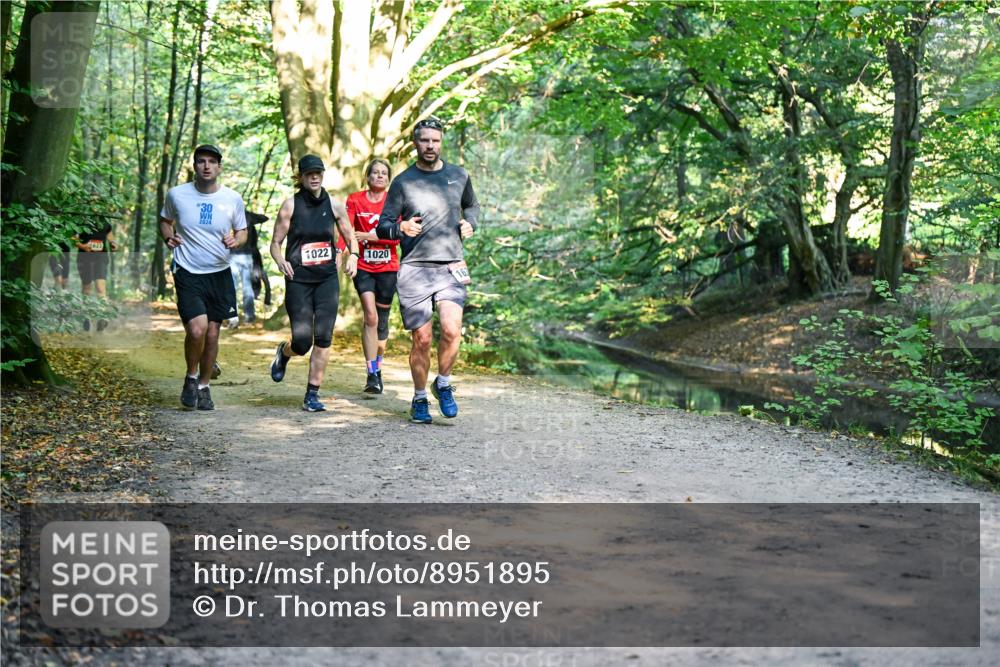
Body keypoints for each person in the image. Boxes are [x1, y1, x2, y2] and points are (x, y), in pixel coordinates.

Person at [375, 117, 479, 423]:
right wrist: (400, 227)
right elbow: (383, 225)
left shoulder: (458, 175)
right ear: (415, 143)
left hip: (450, 266)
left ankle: (443, 383)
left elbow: (472, 206)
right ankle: (420, 398)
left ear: (441, 141)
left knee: (451, 330)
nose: (430, 146)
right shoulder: (403, 182)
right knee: (421, 338)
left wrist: (470, 223)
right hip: (415, 269)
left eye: (435, 140)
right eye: (424, 141)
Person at [159, 144, 248, 411]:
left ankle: (204, 386)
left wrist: (236, 240)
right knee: (196, 330)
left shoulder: (232, 198)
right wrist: (168, 237)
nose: (206, 166)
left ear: (219, 167)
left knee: (211, 335)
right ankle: (191, 375)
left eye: (212, 161)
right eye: (201, 161)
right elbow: (165, 220)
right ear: (194, 166)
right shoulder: (177, 195)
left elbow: (242, 230)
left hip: (219, 273)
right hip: (188, 271)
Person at [269, 155, 359, 412]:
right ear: (301, 177)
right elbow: (275, 243)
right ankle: (284, 353)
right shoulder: (290, 206)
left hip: (327, 279)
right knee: (302, 341)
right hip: (298, 280)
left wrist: (352, 256)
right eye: (309, 173)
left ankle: (312, 394)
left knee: (323, 337)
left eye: (318, 172)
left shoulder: (335, 205)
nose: (315, 177)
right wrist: (279, 261)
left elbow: (350, 238)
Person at [345, 159, 396, 394]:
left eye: (384, 173)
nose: (379, 176)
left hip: (388, 267)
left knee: (382, 323)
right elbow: (348, 232)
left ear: (388, 178)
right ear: (367, 176)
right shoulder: (355, 199)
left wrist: (368, 235)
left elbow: (396, 238)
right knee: (371, 317)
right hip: (364, 266)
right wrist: (348, 253)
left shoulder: (394, 201)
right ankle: (371, 374)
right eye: (375, 172)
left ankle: (379, 366)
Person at [75, 219, 119, 331]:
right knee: (87, 289)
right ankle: (86, 317)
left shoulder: (105, 223)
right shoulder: (82, 221)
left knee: (100, 288)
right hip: (85, 258)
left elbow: (111, 240)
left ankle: (102, 317)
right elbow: (74, 239)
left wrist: (114, 245)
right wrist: (83, 246)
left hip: (101, 258)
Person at [226, 214, 259, 328]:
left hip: (233, 256)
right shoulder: (249, 217)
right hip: (245, 256)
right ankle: (249, 317)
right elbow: (264, 218)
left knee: (232, 288)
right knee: (247, 287)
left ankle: (232, 319)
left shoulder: (229, 217)